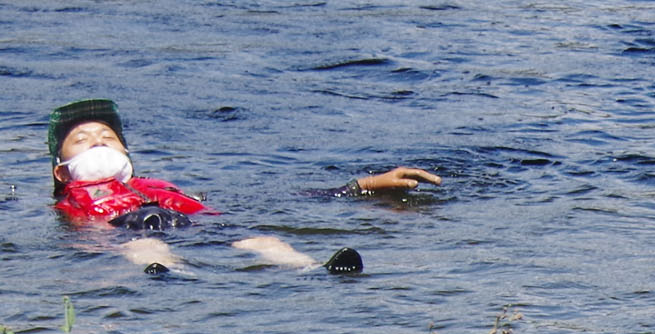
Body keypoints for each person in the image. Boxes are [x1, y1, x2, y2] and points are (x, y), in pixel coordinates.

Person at [46, 98, 438, 276]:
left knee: (261, 239)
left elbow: (282, 196)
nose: (97, 142)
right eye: (82, 140)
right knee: (147, 247)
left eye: (107, 137)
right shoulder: (69, 202)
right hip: (125, 229)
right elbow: (78, 230)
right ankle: (172, 273)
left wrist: (364, 185)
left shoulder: (158, 187)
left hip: (192, 225)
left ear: (128, 156)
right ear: (62, 172)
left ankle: (311, 268)